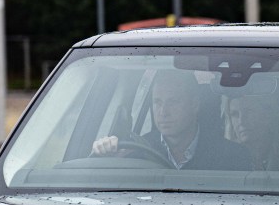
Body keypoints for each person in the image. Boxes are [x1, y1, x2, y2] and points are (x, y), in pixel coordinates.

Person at [91, 70, 250, 171]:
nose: (163, 112)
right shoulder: (134, 152)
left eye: (173, 102)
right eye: (157, 102)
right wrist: (104, 154)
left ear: (194, 105)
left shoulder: (232, 157)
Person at [226, 93, 279, 172]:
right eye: (234, 114)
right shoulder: (223, 164)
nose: (241, 121)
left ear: (268, 116)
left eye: (249, 111)